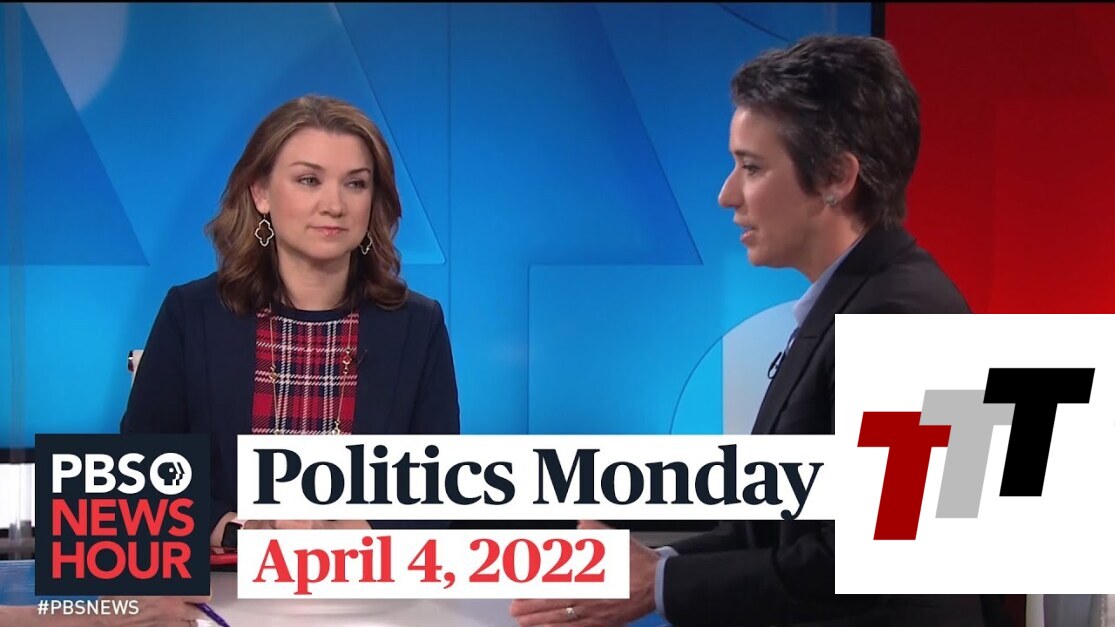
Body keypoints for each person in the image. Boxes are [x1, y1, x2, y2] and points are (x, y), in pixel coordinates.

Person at [511, 36, 1008, 626]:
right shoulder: (849, 305)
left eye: (751, 167)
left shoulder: (902, 317)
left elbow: (868, 570)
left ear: (836, 176)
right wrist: (651, 567)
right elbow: (776, 535)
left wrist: (658, 585)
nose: (727, 195)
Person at [121, 94, 460, 547]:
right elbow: (139, 479)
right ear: (261, 193)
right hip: (227, 580)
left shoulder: (417, 326)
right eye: (308, 180)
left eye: (356, 184)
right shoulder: (192, 314)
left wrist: (355, 533)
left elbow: (438, 493)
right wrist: (241, 532)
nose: (334, 205)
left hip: (368, 580)